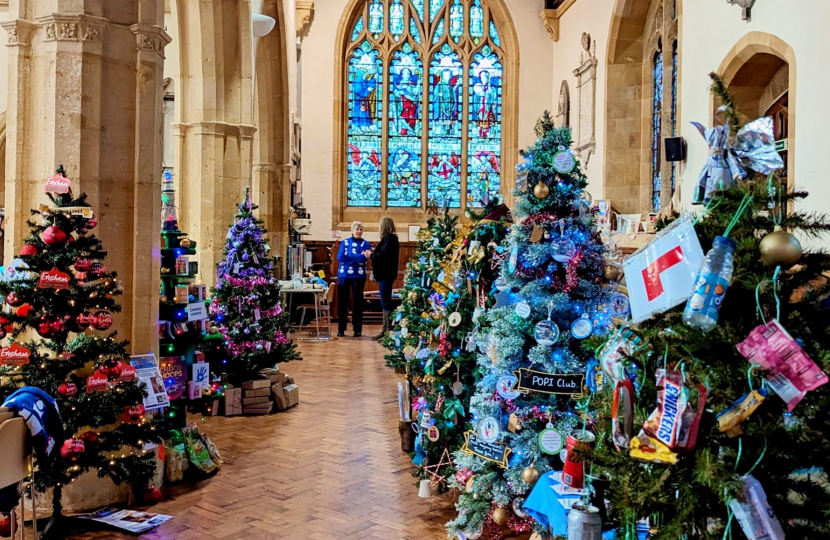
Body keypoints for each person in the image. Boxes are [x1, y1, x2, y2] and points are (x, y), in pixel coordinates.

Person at [337, 221, 372, 337]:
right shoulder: (345, 242)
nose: (359, 231)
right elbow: (340, 257)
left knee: (358, 303)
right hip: (344, 275)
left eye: (361, 229)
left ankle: (357, 330)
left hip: (359, 276)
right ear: (352, 231)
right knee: (343, 302)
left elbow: (364, 259)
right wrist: (357, 257)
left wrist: (350, 256)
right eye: (357, 229)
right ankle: (341, 329)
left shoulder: (365, 244)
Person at [371, 217, 400, 340]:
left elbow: (383, 257)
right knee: (384, 302)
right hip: (385, 275)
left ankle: (388, 331)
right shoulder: (388, 239)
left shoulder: (391, 238)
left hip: (386, 275)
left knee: (386, 302)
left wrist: (371, 254)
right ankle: (385, 329)